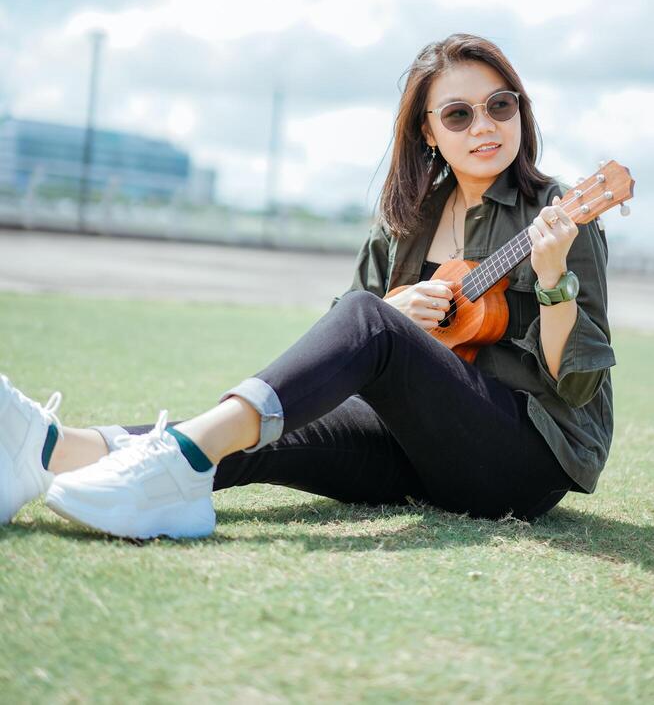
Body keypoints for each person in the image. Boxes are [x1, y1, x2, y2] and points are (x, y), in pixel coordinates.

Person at [0, 34, 616, 540]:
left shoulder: (557, 215)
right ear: (429, 132)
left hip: (521, 459)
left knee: (369, 318)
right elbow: (339, 346)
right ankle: (48, 449)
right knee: (271, 429)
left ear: (519, 111)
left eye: (500, 105)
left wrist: (553, 278)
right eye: (459, 113)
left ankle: (175, 464)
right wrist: (393, 310)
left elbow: (575, 383)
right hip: (415, 445)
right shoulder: (408, 223)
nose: (484, 125)